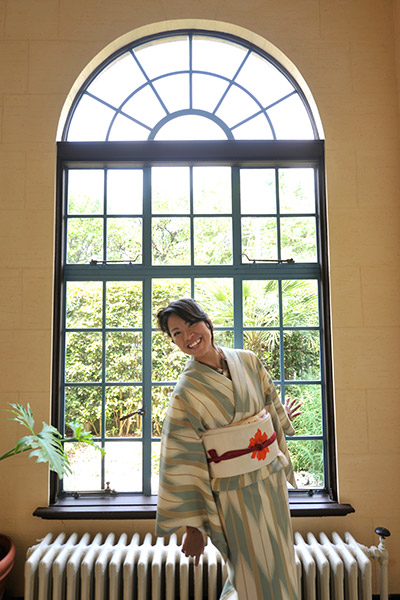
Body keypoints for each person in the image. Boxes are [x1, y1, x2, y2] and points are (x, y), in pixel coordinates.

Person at [155, 298, 301, 600]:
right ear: (173, 342)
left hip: (271, 480)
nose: (188, 336)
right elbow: (181, 459)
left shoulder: (248, 360)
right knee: (249, 572)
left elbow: (268, 404)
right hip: (234, 492)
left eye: (192, 325)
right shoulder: (185, 392)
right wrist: (193, 530)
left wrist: (277, 418)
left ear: (207, 322)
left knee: (282, 563)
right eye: (177, 333)